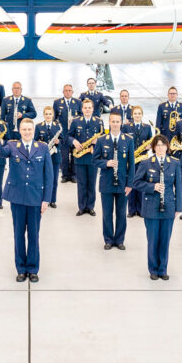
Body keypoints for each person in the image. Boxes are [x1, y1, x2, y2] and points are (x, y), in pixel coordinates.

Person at [0, 117, 53, 282]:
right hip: (17, 198)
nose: (27, 132)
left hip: (35, 198)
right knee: (18, 234)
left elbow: (49, 175)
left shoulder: (42, 148)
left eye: (29, 129)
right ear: (19, 130)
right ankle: (20, 268)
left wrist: (46, 199)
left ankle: (33, 268)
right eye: (24, 129)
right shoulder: (12, 145)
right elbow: (0, 152)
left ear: (33, 131)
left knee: (34, 235)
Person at [132, 134, 182, 280]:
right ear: (154, 147)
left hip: (168, 206)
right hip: (151, 207)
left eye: (163, 145)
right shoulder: (146, 163)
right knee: (153, 239)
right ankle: (153, 269)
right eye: (158, 145)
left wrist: (178, 207)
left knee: (165, 240)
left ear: (167, 147)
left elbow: (178, 187)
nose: (160, 148)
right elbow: (136, 183)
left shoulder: (175, 163)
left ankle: (163, 269)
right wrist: (152, 186)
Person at [96, 112, 136, 250]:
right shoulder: (102, 140)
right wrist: (106, 163)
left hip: (122, 184)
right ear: (109, 123)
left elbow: (131, 164)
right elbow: (94, 160)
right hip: (106, 183)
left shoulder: (128, 140)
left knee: (121, 214)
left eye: (117, 122)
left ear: (121, 123)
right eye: (113, 121)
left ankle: (119, 240)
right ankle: (108, 239)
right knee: (107, 214)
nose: (115, 124)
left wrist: (130, 184)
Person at [70, 99, 104, 217]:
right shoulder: (75, 121)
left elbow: (104, 137)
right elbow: (69, 136)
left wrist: (98, 142)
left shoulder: (99, 122)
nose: (87, 110)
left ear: (93, 109)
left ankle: (90, 207)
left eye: (90, 107)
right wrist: (74, 141)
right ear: (82, 109)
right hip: (79, 158)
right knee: (81, 184)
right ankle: (81, 207)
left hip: (93, 158)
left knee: (91, 183)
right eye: (85, 108)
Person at [125, 105, 151, 217]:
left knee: (141, 184)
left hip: (143, 159)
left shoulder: (147, 127)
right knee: (131, 182)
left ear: (142, 115)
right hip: (131, 159)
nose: (137, 115)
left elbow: (151, 141)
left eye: (139, 114)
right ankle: (131, 210)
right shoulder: (126, 127)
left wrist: (150, 146)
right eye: (135, 114)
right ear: (132, 115)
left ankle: (141, 210)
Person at [53, 84, 81, 183]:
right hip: (63, 134)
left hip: (74, 134)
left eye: (69, 90)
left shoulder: (78, 102)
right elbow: (54, 118)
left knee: (74, 154)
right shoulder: (57, 103)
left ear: (72, 92)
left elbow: (81, 117)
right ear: (63, 92)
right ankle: (65, 175)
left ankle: (74, 175)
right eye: (66, 90)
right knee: (63, 156)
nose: (68, 92)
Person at [35, 106, 61, 209]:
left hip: (55, 157)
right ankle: (43, 198)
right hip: (42, 157)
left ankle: (52, 200)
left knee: (54, 179)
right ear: (44, 115)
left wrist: (59, 142)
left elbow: (63, 141)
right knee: (42, 179)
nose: (48, 116)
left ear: (53, 115)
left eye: (50, 114)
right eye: (46, 114)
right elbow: (35, 142)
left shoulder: (58, 126)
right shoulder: (38, 126)